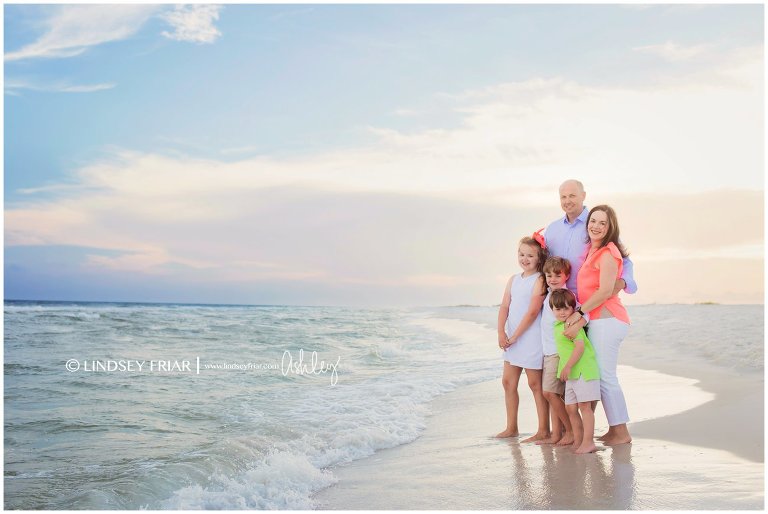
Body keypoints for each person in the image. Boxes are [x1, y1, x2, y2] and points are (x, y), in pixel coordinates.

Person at [567, 204, 632, 446]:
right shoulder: (593, 252)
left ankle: (621, 432)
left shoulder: (607, 253)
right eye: (593, 221)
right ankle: (616, 429)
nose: (596, 226)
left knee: (606, 377)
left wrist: (580, 312)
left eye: (602, 223)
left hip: (607, 320)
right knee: (603, 376)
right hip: (599, 320)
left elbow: (605, 290)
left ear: (610, 227)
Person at [496, 236, 549, 442]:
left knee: (535, 384)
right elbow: (504, 307)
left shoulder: (540, 279)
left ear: (539, 258)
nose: (524, 259)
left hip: (530, 338)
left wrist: (516, 335)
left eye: (530, 255)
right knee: (508, 382)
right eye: (521, 254)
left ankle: (544, 430)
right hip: (511, 339)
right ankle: (511, 427)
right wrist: (502, 332)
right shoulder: (514, 279)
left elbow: (533, 311)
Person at [544, 180, 636, 296]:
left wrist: (622, 283)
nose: (567, 201)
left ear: (583, 196)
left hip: (590, 301)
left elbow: (624, 260)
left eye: (572, 196)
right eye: (563, 197)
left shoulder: (596, 226)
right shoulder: (552, 229)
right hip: (559, 304)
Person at [551, 288, 601, 454]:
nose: (562, 312)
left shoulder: (572, 325)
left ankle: (588, 442)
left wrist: (568, 366)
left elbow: (579, 347)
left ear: (573, 309)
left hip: (583, 370)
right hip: (571, 374)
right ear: (552, 309)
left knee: (584, 407)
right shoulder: (557, 325)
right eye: (558, 309)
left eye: (566, 308)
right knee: (571, 409)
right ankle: (578, 441)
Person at [536, 256, 579, 446]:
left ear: (567, 275)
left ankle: (571, 431)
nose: (552, 278)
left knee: (549, 393)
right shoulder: (548, 295)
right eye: (548, 275)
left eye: (557, 275)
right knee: (554, 393)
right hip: (548, 351)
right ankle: (557, 434)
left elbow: (569, 319)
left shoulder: (564, 296)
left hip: (558, 351)